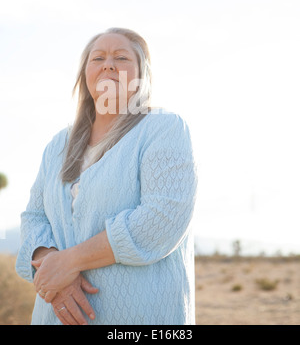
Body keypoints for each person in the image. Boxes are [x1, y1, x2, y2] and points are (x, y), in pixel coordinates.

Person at [15, 27, 198, 325]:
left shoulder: (164, 128)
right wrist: (51, 265)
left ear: (142, 75)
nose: (108, 64)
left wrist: (69, 262)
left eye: (121, 57)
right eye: (97, 57)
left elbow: (162, 219)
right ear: (85, 75)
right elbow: (34, 217)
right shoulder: (57, 145)